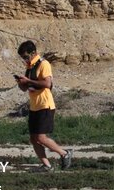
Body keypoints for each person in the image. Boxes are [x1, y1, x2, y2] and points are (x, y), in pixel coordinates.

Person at [16, 40, 73, 172]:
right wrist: (21, 83)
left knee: (41, 137)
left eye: (25, 56)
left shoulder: (44, 64)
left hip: (45, 105)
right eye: (22, 57)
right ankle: (46, 165)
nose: (24, 59)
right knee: (33, 138)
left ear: (33, 53)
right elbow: (26, 88)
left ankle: (64, 153)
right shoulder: (30, 67)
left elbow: (47, 84)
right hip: (34, 106)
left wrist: (29, 81)